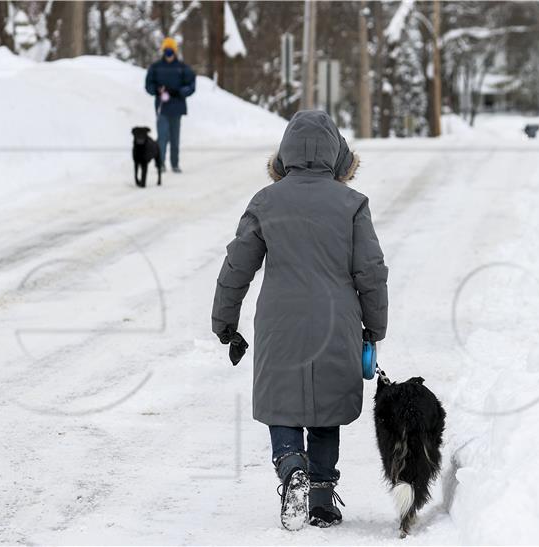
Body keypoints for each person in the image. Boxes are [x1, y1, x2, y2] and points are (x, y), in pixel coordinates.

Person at [211, 110, 389, 530]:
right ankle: (322, 499)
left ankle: (292, 466)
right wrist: (375, 326)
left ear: (284, 153)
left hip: (279, 323)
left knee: (284, 403)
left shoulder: (265, 202)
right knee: (326, 408)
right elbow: (371, 270)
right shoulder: (352, 204)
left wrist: (225, 323)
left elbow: (237, 266)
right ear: (337, 155)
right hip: (337, 321)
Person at [144, 37, 196, 173]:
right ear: (163, 51)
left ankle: (175, 164)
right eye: (166, 51)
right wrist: (156, 90)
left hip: (177, 108)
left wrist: (180, 92)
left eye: (171, 51)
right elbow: (148, 84)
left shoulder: (182, 68)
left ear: (175, 52)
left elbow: (191, 85)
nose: (168, 54)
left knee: (175, 138)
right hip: (162, 108)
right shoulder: (156, 67)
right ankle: (160, 163)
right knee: (162, 137)